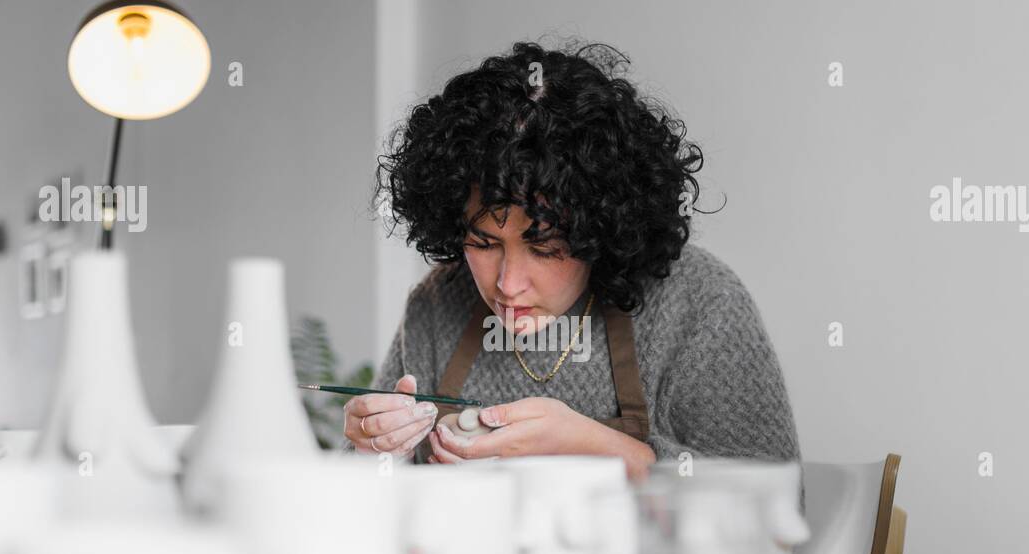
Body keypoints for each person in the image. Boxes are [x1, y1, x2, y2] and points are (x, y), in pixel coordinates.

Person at [343, 41, 800, 480]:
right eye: (483, 243)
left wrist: (601, 451)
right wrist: (373, 453)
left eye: (544, 248)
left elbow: (776, 508)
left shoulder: (697, 301)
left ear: (599, 229)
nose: (508, 284)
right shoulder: (437, 303)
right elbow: (365, 520)